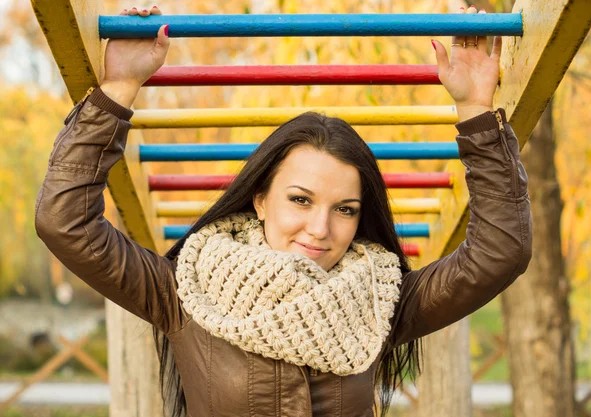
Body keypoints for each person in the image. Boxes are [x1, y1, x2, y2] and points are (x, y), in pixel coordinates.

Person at [35, 5, 532, 417]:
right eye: (300, 200)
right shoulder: (183, 292)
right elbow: (66, 222)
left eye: (346, 209)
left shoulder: (383, 301)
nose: (320, 228)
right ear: (259, 200)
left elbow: (499, 251)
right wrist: (119, 89)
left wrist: (474, 109)